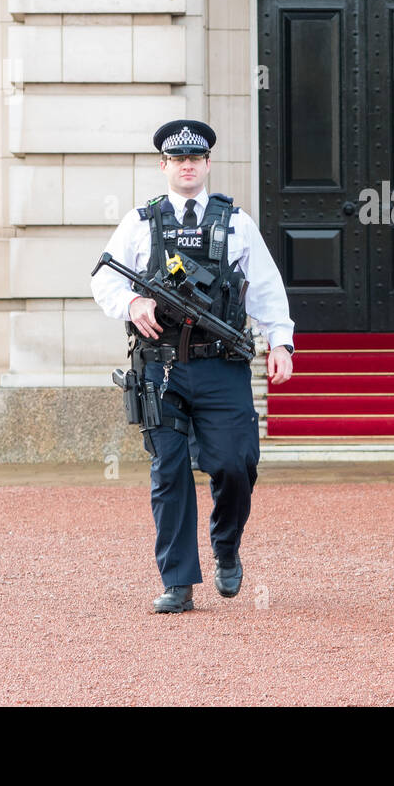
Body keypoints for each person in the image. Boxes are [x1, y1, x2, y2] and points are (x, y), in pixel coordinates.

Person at [91, 120, 295, 612]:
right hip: (159, 368)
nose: (187, 166)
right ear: (164, 166)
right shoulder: (140, 223)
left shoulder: (236, 222)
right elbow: (104, 279)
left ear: (206, 165)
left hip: (221, 365)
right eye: (178, 159)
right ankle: (178, 582)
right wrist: (134, 305)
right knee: (170, 472)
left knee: (236, 465)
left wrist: (281, 342)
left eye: (195, 159)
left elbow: (264, 286)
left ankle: (226, 546)